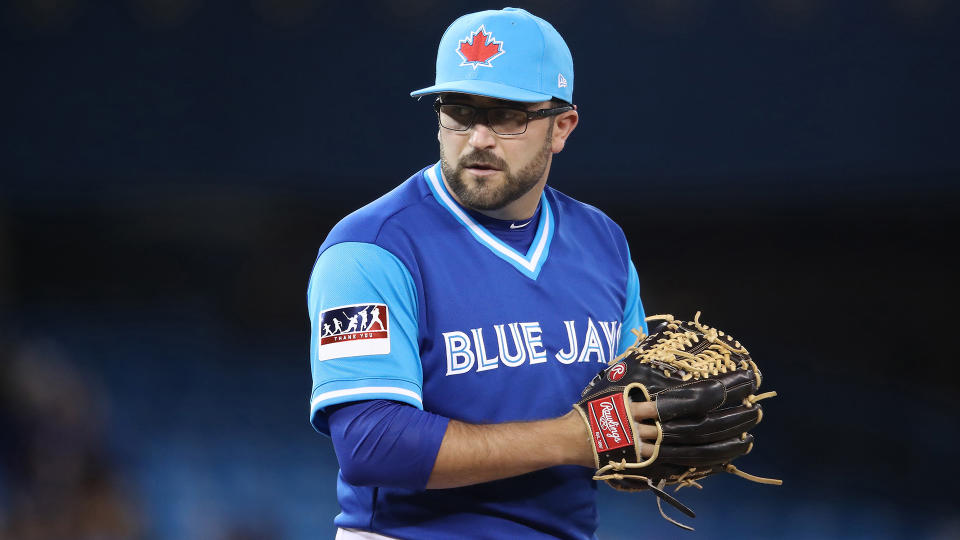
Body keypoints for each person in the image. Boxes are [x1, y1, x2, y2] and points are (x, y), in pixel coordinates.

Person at [307, 8, 658, 539]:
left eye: (507, 116)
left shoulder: (603, 244)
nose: (478, 138)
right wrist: (573, 437)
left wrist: (662, 433)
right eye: (460, 111)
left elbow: (632, 411)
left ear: (561, 127)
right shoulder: (370, 248)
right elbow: (371, 443)